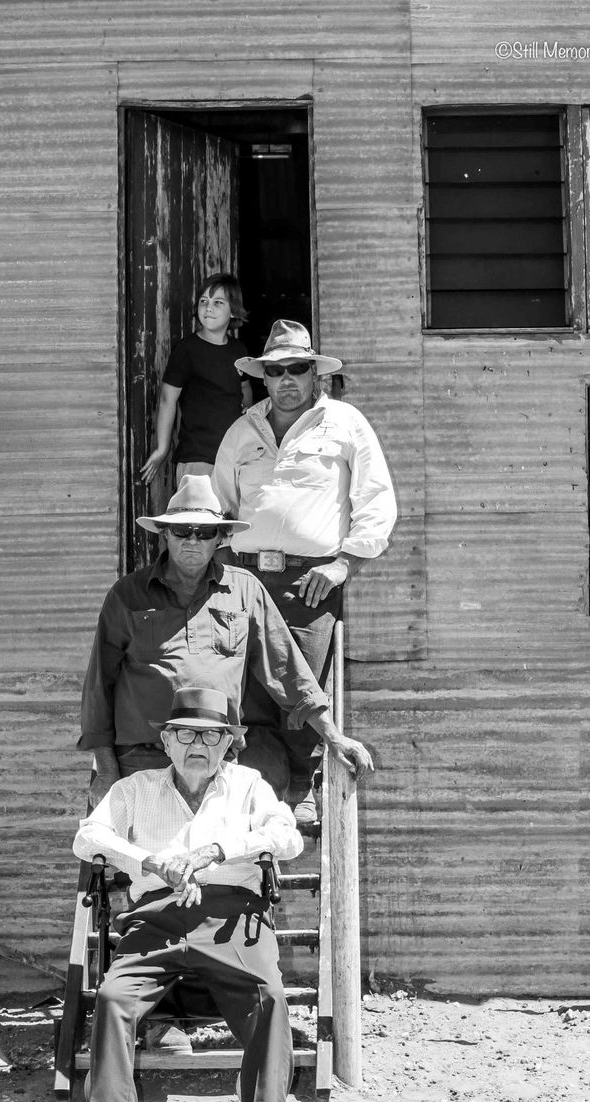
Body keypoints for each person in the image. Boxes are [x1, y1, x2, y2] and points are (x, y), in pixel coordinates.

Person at [73, 686, 300, 1102]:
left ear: (228, 745)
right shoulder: (135, 789)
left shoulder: (249, 786)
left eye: (210, 735)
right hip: (156, 917)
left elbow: (288, 838)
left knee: (270, 1000)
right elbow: (86, 837)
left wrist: (217, 851)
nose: (198, 744)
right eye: (185, 734)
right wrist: (149, 861)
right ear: (167, 741)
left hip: (231, 918)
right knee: (112, 1000)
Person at [78, 473, 372, 806]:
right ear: (164, 534)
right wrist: (105, 769)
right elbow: (99, 686)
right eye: (181, 531)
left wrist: (333, 738)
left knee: (216, 854)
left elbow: (288, 669)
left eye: (203, 533)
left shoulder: (245, 589)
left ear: (220, 538)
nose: (192, 541)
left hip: (216, 758)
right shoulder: (127, 595)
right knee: (141, 857)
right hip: (143, 758)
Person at [212, 319, 398, 821]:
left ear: (315, 374)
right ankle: (260, 789)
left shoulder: (345, 423)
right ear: (263, 376)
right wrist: (222, 568)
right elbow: (220, 507)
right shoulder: (241, 430)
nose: (287, 379)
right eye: (276, 370)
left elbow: (376, 500)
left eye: (298, 368)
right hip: (246, 578)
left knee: (303, 683)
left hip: (308, 581)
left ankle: (302, 786)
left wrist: (344, 564)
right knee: (249, 685)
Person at [139, 273, 254, 487]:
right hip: (197, 459)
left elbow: (245, 387)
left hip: (234, 457)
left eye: (218, 303)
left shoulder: (238, 351)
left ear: (233, 311)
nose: (208, 308)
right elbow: (167, 399)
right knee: (197, 520)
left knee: (231, 520)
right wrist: (162, 448)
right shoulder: (187, 350)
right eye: (204, 301)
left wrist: (246, 410)